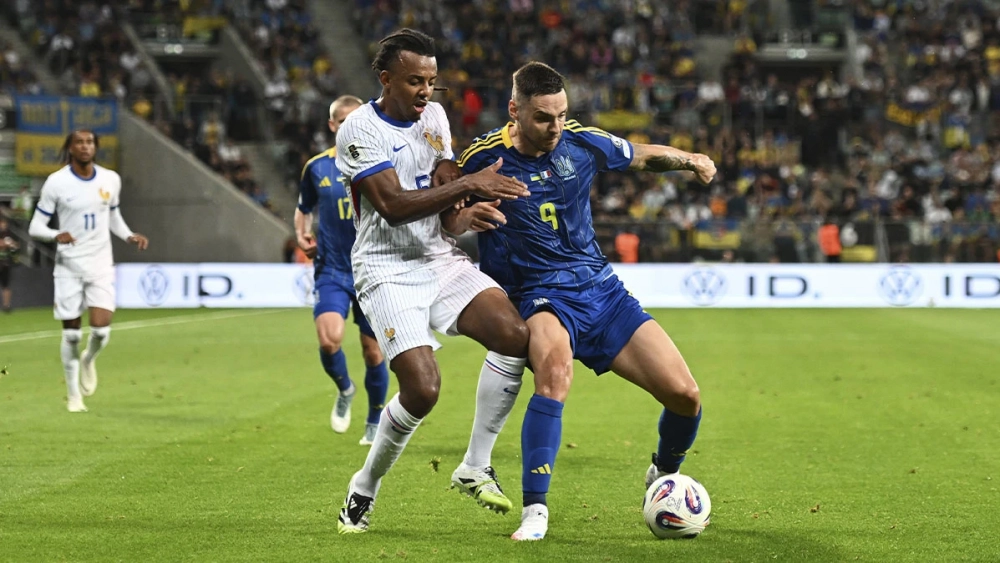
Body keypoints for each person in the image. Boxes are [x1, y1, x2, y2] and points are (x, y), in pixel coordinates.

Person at [452, 62, 717, 541]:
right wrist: (466, 212)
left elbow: (640, 156)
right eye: (542, 118)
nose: (555, 127)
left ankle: (661, 475)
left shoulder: (580, 140)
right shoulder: (480, 157)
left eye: (560, 114)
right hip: (538, 295)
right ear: (514, 111)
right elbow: (440, 213)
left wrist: (690, 157)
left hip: (602, 290)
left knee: (686, 396)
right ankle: (536, 512)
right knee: (555, 375)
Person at [333, 29, 534, 534]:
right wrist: (470, 183)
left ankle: (474, 465)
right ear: (386, 79)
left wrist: (463, 210)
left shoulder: (436, 117)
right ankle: (364, 486)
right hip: (385, 267)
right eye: (415, 81)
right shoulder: (359, 130)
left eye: (431, 81)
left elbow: (444, 185)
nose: (426, 91)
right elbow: (395, 206)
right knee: (422, 390)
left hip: (437, 256)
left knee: (515, 336)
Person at [28, 130, 149, 412]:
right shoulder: (56, 183)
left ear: (96, 147)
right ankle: (73, 396)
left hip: (100, 264)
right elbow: (36, 227)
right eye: (79, 142)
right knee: (71, 335)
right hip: (69, 266)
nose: (85, 146)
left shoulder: (110, 179)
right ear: (70, 148)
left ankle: (88, 359)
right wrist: (56, 234)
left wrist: (129, 235)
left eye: (90, 142)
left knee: (101, 330)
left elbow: (114, 216)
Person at [295, 95, 390, 446]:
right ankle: (345, 389)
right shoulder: (316, 167)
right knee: (329, 338)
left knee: (373, 352)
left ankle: (374, 418)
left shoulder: (382, 162)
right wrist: (300, 234)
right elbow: (303, 208)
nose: (349, 125)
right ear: (333, 125)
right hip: (333, 268)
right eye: (342, 121)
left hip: (372, 269)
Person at [0, 216, 17, 312]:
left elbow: (15, 245)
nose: (3, 225)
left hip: (5, 263)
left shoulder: (8, 234)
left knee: (6, 285)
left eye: (4, 223)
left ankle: (7, 305)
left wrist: (10, 244)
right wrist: (6, 244)